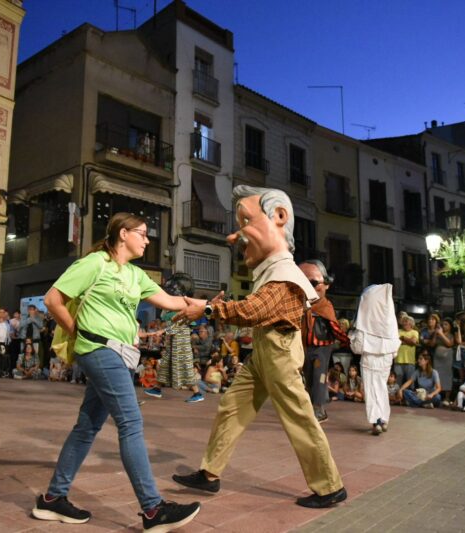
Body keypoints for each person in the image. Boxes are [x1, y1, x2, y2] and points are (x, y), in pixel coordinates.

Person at [172, 185, 346, 509]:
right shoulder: (272, 271)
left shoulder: (285, 273)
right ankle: (209, 474)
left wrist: (208, 309)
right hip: (265, 351)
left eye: (246, 221)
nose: (236, 235)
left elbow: (255, 310)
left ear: (279, 217)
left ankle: (329, 487)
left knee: (300, 418)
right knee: (232, 408)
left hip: (278, 352)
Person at [32, 212, 201, 529]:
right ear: (123, 234)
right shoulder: (94, 264)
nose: (148, 240)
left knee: (87, 427)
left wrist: (205, 304)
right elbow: (52, 299)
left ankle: (53, 499)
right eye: (143, 233)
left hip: (121, 354)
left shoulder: (135, 275)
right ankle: (153, 509)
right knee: (130, 422)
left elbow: (169, 301)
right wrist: (76, 332)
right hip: (99, 350)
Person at [299, 259, 349, 423]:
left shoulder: (325, 307)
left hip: (321, 348)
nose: (309, 287)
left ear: (326, 285)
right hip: (305, 348)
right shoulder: (301, 306)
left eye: (313, 282)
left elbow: (334, 327)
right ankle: (311, 406)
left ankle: (319, 408)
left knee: (319, 376)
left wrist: (346, 341)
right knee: (308, 377)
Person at [349, 282, 401, 436]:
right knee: (381, 387)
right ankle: (384, 419)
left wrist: (351, 337)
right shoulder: (389, 321)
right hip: (385, 357)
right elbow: (395, 347)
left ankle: (376, 420)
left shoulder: (364, 321)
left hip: (370, 357)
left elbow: (356, 348)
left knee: (371, 389)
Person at [145, 273, 204, 403]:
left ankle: (197, 393)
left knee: (185, 367)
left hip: (181, 342)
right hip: (173, 341)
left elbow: (179, 325)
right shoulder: (175, 304)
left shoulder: (185, 305)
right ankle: (157, 388)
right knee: (166, 364)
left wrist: (162, 331)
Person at [394, 315, 419, 385]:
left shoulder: (415, 332)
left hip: (410, 361)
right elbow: (395, 342)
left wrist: (403, 338)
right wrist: (409, 341)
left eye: (406, 321)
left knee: (410, 383)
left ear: (411, 324)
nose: (404, 323)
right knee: (397, 383)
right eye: (403, 321)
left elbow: (414, 342)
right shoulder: (397, 331)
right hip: (398, 361)